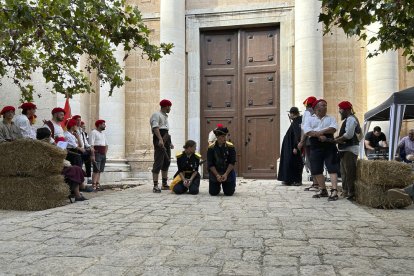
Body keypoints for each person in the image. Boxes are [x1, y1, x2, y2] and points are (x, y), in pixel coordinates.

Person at [36, 127, 88, 202]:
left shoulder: (39, 145)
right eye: (50, 136)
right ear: (48, 137)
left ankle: (78, 192)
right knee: (75, 169)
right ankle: (78, 194)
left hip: (54, 167)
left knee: (75, 168)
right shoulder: (46, 147)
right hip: (53, 169)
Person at [303, 99, 339, 201]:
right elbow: (307, 131)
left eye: (326, 105)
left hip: (328, 144)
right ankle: (323, 189)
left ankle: (334, 190)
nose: (325, 107)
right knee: (316, 169)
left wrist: (320, 132)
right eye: (323, 105)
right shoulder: (309, 119)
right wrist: (319, 135)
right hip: (315, 145)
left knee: (332, 167)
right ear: (316, 108)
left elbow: (333, 128)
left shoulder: (331, 118)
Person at [334, 101, 361, 201]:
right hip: (345, 149)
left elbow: (349, 135)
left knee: (350, 172)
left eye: (340, 109)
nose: (339, 111)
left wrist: (336, 140)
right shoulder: (349, 119)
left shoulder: (351, 119)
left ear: (346, 110)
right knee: (344, 172)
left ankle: (351, 192)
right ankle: (345, 191)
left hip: (349, 150)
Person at [150, 99, 174, 193]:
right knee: (158, 162)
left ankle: (164, 184)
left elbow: (166, 131)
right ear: (165, 106)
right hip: (159, 138)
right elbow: (155, 128)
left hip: (166, 138)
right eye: (169, 107)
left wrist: (170, 142)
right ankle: (155, 185)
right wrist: (160, 139)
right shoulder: (156, 115)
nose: (170, 109)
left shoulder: (165, 116)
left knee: (166, 161)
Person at [277, 107, 303, 185]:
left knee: (294, 163)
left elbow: (297, 135)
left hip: (293, 147)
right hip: (290, 146)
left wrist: (295, 147)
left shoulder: (297, 121)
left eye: (290, 114)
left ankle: (296, 180)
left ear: (292, 114)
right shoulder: (296, 121)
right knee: (289, 162)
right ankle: (288, 179)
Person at [207, 127, 237, 196]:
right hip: (215, 171)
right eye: (223, 136)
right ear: (217, 137)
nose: (225, 138)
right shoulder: (211, 148)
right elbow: (210, 163)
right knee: (213, 193)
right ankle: (217, 186)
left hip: (227, 171)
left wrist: (226, 174)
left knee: (229, 193)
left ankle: (231, 184)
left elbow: (232, 162)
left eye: (225, 136)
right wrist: (217, 175)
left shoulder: (230, 147)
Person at [298, 96, 319, 191]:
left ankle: (315, 183)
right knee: (315, 161)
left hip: (309, 140)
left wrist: (301, 141)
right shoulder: (317, 113)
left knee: (310, 162)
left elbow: (305, 128)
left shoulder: (307, 113)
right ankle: (316, 182)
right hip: (316, 139)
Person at [90, 119, 108, 192]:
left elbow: (106, 144)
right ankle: (93, 185)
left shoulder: (103, 134)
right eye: (103, 124)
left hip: (103, 153)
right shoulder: (94, 132)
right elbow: (91, 145)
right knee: (96, 170)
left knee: (100, 170)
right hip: (97, 153)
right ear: (99, 124)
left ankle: (97, 184)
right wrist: (93, 155)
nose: (105, 126)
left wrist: (105, 153)